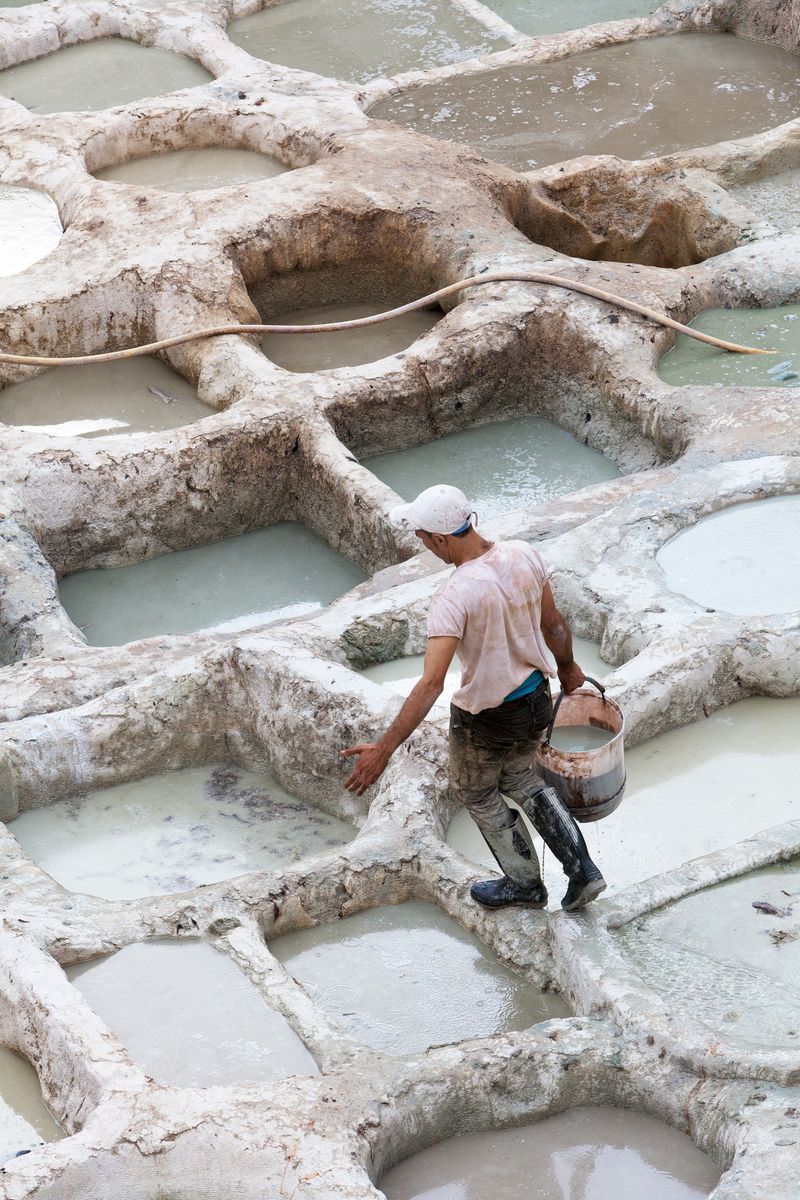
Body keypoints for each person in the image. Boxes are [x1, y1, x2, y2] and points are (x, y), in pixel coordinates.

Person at [341, 483, 606, 912]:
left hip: (487, 718)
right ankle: (583, 871)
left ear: (441, 539)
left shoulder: (454, 596)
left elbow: (431, 684)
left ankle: (524, 884)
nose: (425, 546)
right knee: (523, 780)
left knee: (478, 793)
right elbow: (553, 623)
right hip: (537, 696)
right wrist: (568, 667)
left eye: (424, 539)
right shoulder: (524, 555)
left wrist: (383, 750)